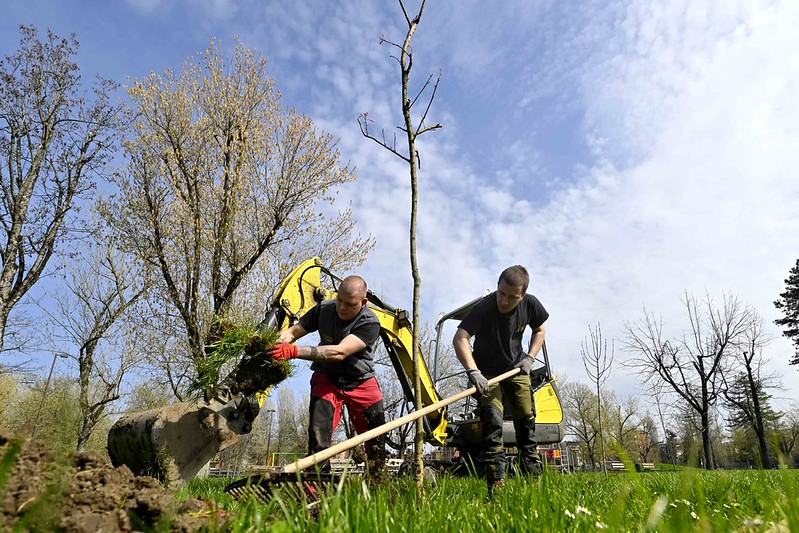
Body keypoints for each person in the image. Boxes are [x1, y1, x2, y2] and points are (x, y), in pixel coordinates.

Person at [266, 275, 387, 479]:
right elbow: (293, 332)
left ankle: (377, 484)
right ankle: (316, 486)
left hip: (361, 381)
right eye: (339, 300)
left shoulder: (370, 322)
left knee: (376, 438)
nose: (342, 307)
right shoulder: (324, 309)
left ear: (363, 303)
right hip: (327, 376)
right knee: (318, 435)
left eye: (350, 304)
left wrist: (294, 352)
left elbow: (339, 352)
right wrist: (270, 343)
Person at [452, 265, 549, 494]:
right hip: (486, 374)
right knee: (493, 421)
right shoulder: (485, 307)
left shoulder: (531, 304)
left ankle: (533, 483)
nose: (503, 301)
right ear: (497, 287)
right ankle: (496, 485)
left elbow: (540, 330)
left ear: (522, 295)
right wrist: (473, 372)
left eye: (511, 297)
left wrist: (529, 357)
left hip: (516, 370)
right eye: (501, 293)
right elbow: (460, 338)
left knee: (526, 422)